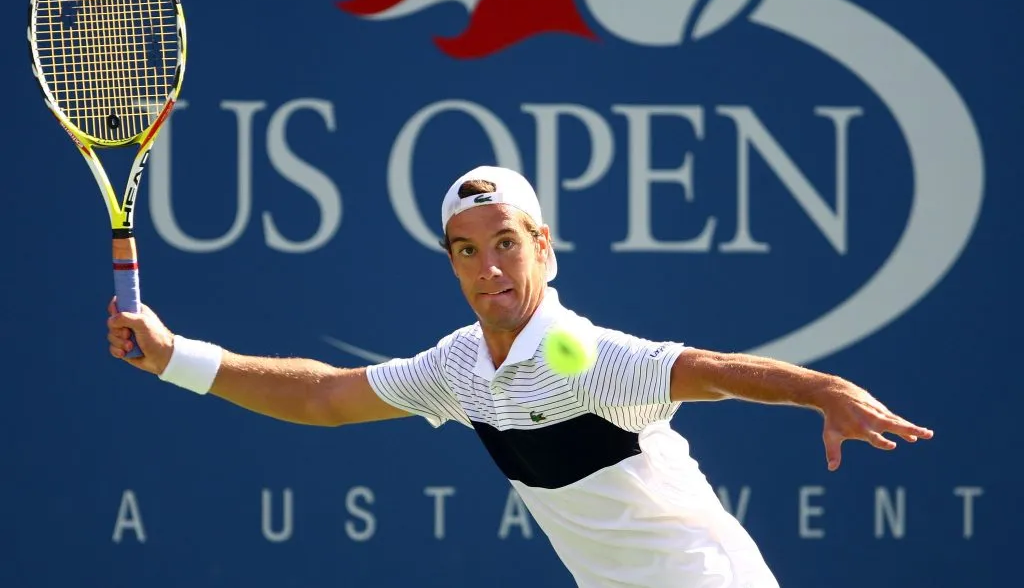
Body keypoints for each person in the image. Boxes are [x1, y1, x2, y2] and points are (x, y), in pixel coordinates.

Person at [106, 165, 932, 588]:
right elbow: (325, 395)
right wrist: (175, 355)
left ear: (543, 246)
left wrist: (822, 390)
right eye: (467, 249)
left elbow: (708, 371)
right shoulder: (459, 366)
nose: (488, 267)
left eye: (505, 241)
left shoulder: (584, 356)